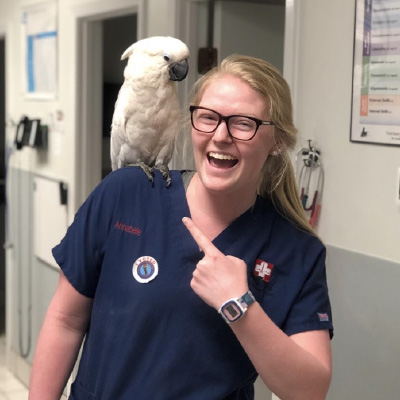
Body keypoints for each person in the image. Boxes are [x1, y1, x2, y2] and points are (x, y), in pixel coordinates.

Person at [29, 54, 333, 400]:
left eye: (243, 124)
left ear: (277, 141)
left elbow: (310, 390)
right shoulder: (125, 194)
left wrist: (239, 306)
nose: (220, 136)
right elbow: (65, 320)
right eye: (207, 118)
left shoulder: (295, 250)